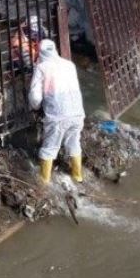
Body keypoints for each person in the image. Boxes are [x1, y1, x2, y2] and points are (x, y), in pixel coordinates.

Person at [28, 39, 85, 184]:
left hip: (58, 115)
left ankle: (44, 182)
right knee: (74, 143)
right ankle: (77, 176)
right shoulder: (69, 65)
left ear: (40, 52)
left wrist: (35, 107)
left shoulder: (42, 67)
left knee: (49, 148)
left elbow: (35, 96)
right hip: (77, 113)